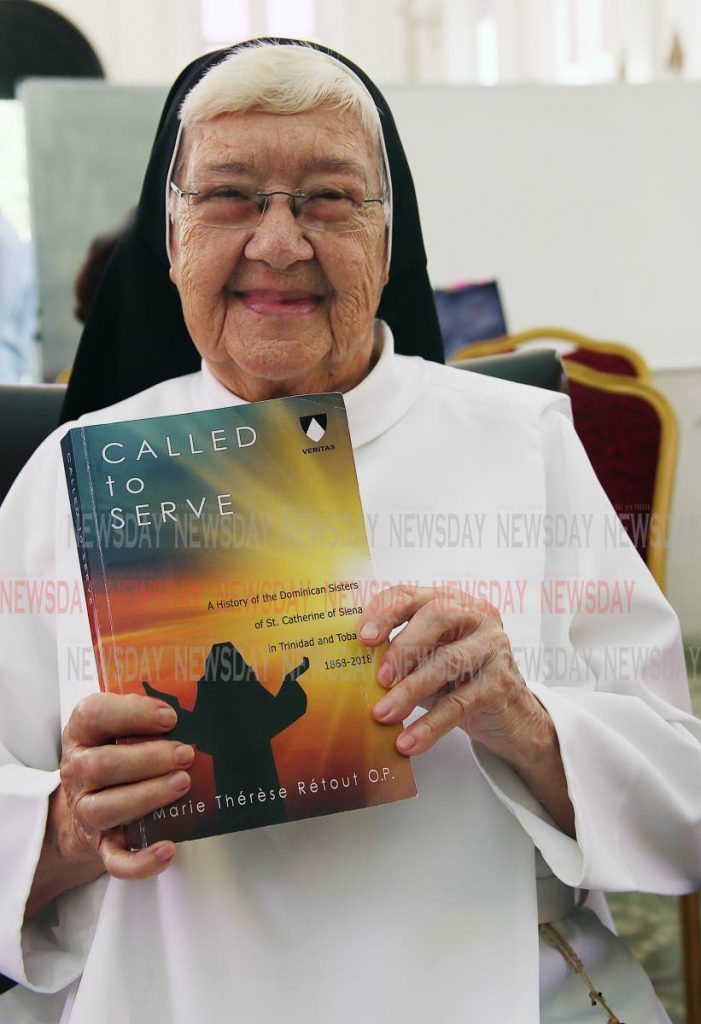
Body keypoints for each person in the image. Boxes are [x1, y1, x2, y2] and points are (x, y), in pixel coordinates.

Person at [0, 39, 699, 1024]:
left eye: (327, 198)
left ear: (385, 237)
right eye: (230, 196)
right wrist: (69, 826)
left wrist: (525, 722)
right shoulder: (70, 479)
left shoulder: (519, 445)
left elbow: (682, 799)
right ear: (170, 238)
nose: (277, 244)